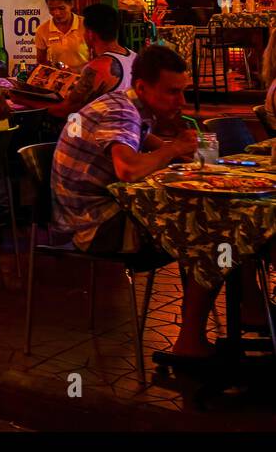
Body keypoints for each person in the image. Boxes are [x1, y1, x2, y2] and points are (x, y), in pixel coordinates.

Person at [50, 46, 245, 358]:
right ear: (141, 87)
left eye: (183, 92)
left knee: (227, 221)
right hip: (93, 227)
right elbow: (128, 169)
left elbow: (155, 148)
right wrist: (174, 148)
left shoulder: (128, 107)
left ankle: (248, 309)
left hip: (98, 216)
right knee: (213, 232)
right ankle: (190, 341)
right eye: (172, 92)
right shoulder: (120, 112)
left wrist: (177, 149)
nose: (180, 101)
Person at [24, 3, 134, 119]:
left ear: (90, 34)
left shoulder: (98, 68)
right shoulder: (134, 57)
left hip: (106, 133)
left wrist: (24, 100)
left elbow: (65, 110)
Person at [35, 0, 88, 69]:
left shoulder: (86, 25)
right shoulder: (42, 30)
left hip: (84, 79)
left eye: (61, 8)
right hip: (58, 80)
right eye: (52, 9)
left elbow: (98, 56)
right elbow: (41, 61)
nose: (57, 13)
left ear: (71, 4)